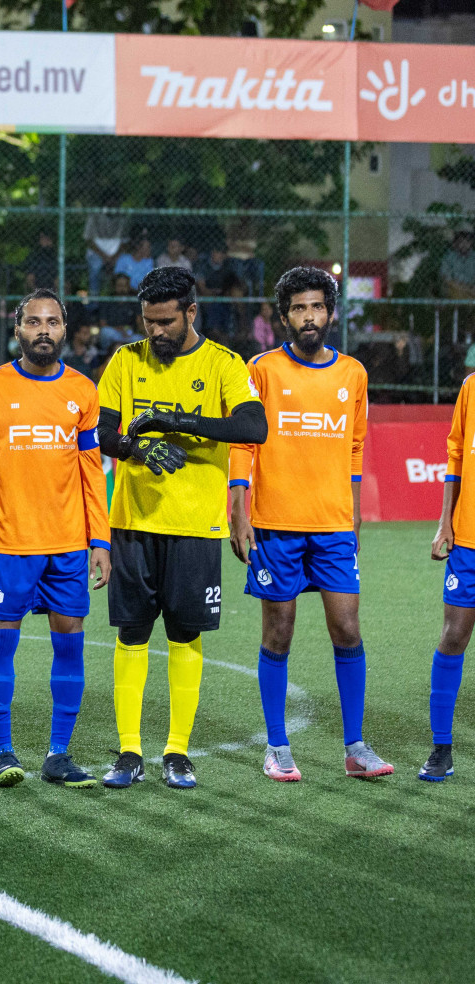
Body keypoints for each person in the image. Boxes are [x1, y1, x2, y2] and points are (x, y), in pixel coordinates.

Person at [95, 266, 266, 790]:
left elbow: (252, 426)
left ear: (191, 312)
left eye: (166, 322)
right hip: (134, 521)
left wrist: (180, 422)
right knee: (132, 631)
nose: (156, 332)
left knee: (184, 632)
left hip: (196, 525)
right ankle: (129, 752)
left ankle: (177, 751)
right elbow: (102, 434)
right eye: (148, 321)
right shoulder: (126, 360)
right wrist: (135, 446)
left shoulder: (223, 364)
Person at [228, 267, 389, 784]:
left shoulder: (354, 375)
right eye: (298, 308)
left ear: (332, 313)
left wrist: (356, 509)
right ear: (282, 317)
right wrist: (239, 508)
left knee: (347, 628)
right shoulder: (262, 371)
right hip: (276, 526)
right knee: (279, 633)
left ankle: (355, 747)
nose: (309, 316)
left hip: (334, 526)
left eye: (317, 306)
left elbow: (357, 447)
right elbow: (243, 442)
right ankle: (277, 746)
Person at [0, 289, 110, 788]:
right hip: (7, 545)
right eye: (34, 322)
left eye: (53, 322)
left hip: (67, 545)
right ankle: (4, 752)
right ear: (17, 329)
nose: (44, 330)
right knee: (3, 645)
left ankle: (58, 755)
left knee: (70, 647)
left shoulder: (84, 392)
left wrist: (100, 541)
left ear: (65, 330)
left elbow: (92, 474)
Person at [427, 349, 475, 782]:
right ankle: (442, 747)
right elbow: (456, 456)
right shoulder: (471, 388)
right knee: (453, 635)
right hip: (469, 542)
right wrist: (445, 520)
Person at [83, 207, 127, 295]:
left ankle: (120, 300)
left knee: (124, 264)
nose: (112, 204)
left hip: (116, 255)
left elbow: (125, 243)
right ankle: (94, 302)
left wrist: (114, 257)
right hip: (97, 254)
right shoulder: (94, 217)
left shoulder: (123, 219)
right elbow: (89, 241)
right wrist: (104, 257)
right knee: (95, 267)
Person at [441, 229, 475, 300]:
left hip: (472, 288)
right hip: (455, 288)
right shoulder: (449, 257)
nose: (464, 244)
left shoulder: (473, 256)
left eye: (467, 241)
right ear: (456, 243)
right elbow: (446, 278)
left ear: (471, 242)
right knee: (454, 292)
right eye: (461, 241)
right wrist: (463, 289)